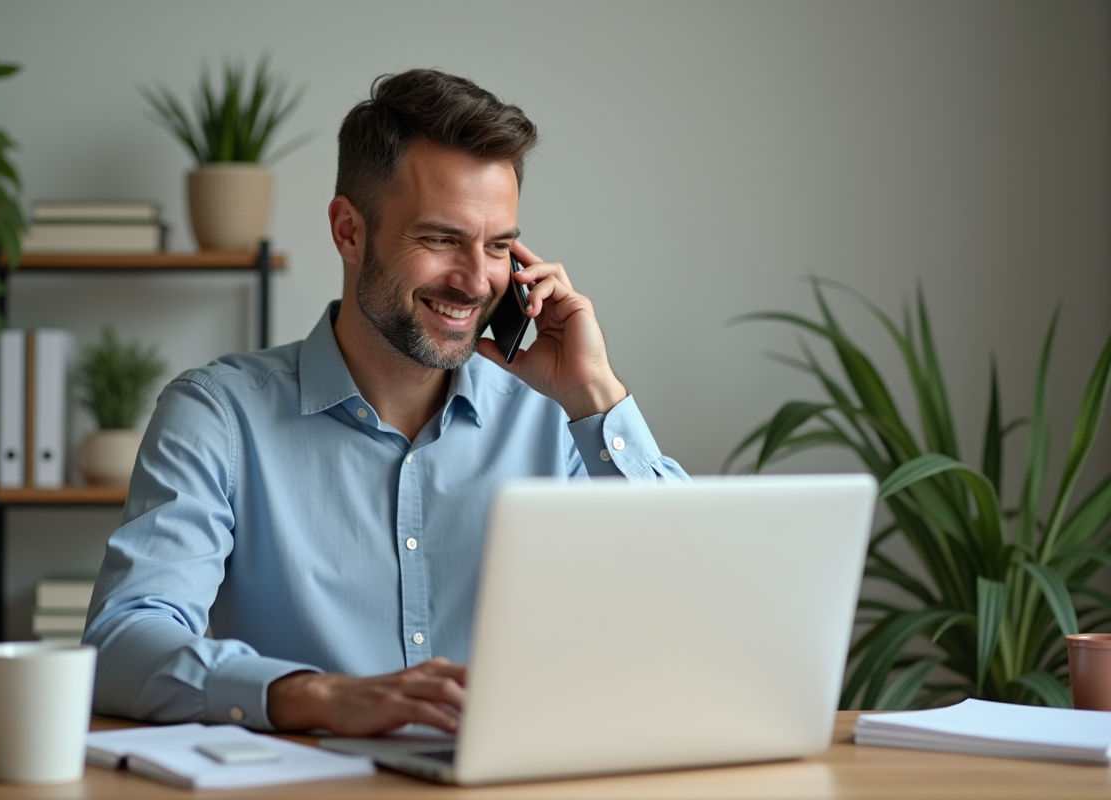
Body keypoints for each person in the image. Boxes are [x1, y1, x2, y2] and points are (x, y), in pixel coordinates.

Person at [85, 68, 688, 736]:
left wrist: (593, 394)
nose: (476, 281)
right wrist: (320, 696)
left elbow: (695, 606)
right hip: (314, 778)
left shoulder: (556, 418)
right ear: (349, 230)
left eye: (497, 246)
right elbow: (122, 642)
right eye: (441, 239)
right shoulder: (218, 417)